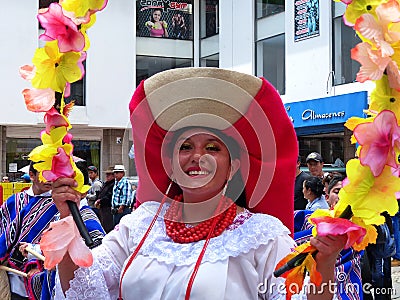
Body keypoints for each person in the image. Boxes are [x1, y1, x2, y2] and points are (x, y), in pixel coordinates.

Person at [51, 68, 346, 299]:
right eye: (185, 146)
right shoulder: (141, 224)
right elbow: (85, 289)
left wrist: (325, 264)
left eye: (213, 148)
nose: (197, 157)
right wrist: (68, 218)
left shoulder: (263, 236)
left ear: (234, 167)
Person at [0, 161, 105, 299]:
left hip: (49, 281)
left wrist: (37, 257)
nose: (49, 179)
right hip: (13, 277)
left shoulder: (65, 208)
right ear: (32, 175)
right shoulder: (17, 201)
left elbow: (94, 254)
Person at [94, 166, 115, 233]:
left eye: (109, 174)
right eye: (106, 174)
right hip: (102, 208)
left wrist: (100, 200)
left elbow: (109, 196)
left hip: (108, 208)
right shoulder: (106, 183)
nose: (107, 176)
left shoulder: (113, 184)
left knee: (108, 226)